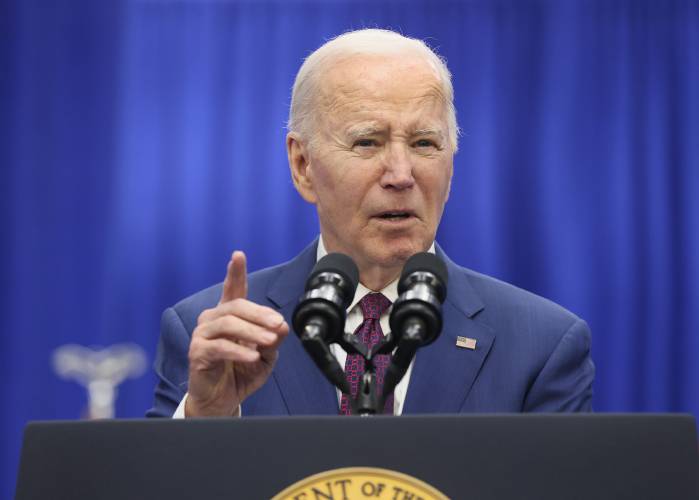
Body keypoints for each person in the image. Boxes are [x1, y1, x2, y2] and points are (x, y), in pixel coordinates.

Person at [147, 29, 594, 418]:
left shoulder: (541, 345)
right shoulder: (214, 338)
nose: (401, 174)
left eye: (424, 143)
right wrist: (208, 416)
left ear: (451, 166)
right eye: (367, 142)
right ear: (303, 166)